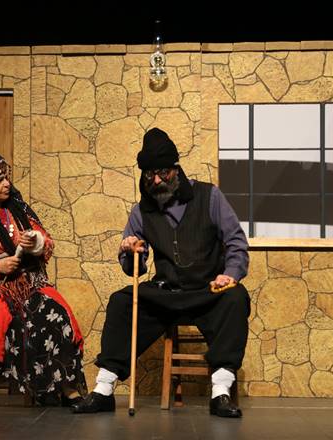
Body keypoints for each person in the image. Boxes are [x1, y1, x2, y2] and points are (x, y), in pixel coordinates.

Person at [71, 128, 250, 418]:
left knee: (236, 297)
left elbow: (236, 242)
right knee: (121, 301)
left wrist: (229, 274)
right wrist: (130, 251)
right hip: (167, 292)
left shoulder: (210, 196)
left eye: (163, 172)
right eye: (149, 174)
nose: (156, 180)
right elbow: (135, 268)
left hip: (208, 291)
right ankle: (103, 389)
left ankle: (220, 392)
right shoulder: (141, 211)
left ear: (176, 169)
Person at [0, 153, 87, 411]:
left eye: (7, 178)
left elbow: (47, 243)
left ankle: (67, 387)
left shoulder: (20, 210)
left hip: (28, 282)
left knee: (55, 311)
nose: (7, 184)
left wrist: (35, 242)